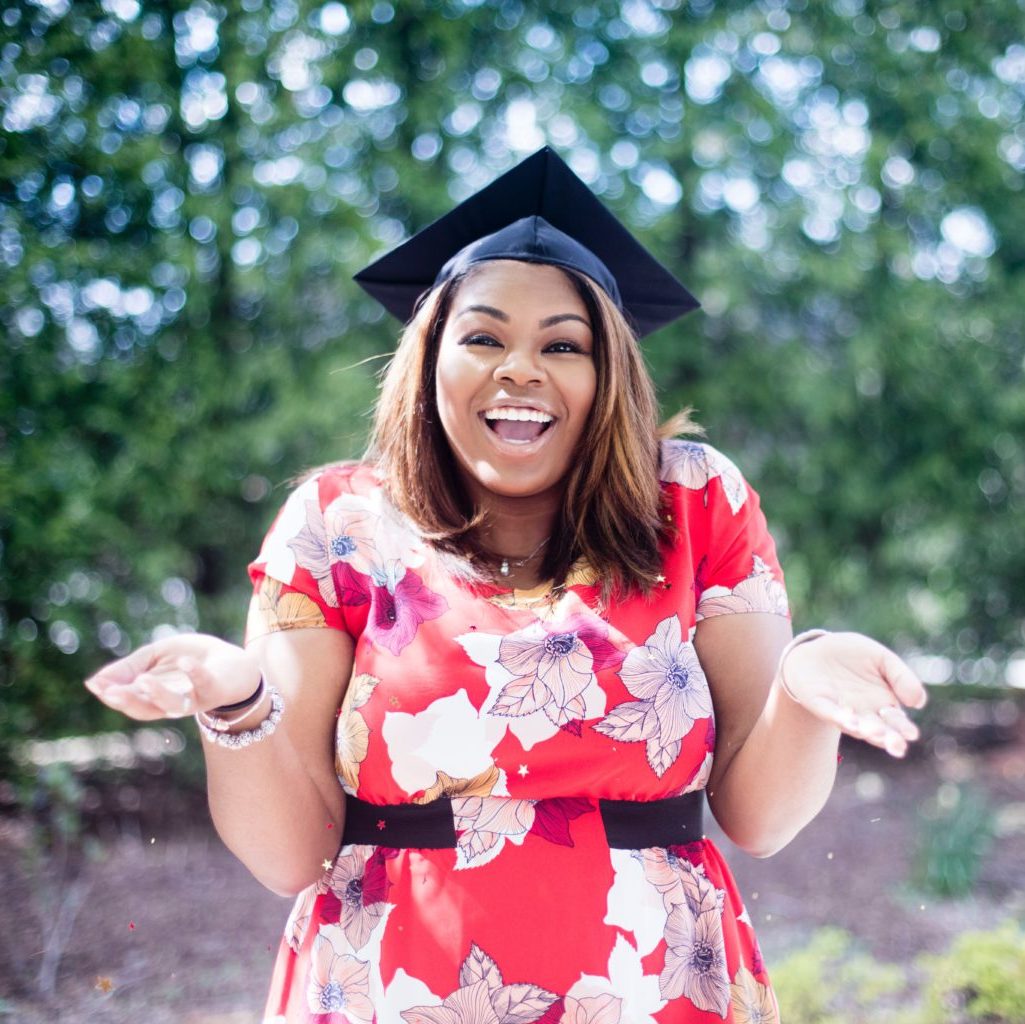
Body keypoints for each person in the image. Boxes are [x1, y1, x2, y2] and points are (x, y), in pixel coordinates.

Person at [85, 147, 927, 1023]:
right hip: (392, 987)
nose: (519, 368)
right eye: (483, 336)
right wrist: (236, 699)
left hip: (652, 987)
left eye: (563, 344)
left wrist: (803, 686)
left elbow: (759, 819)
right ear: (428, 359)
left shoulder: (695, 501)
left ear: (608, 378)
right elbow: (287, 854)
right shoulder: (335, 525)